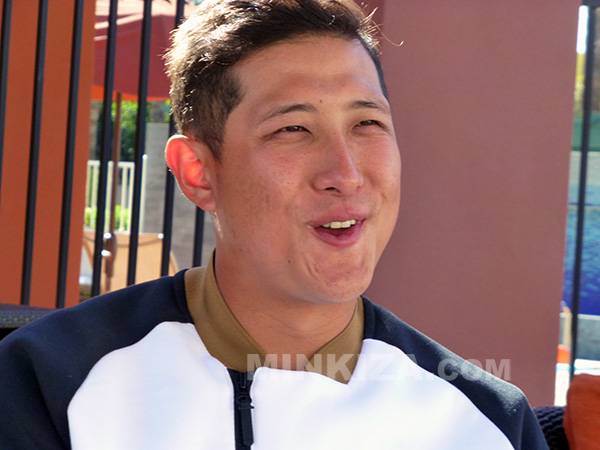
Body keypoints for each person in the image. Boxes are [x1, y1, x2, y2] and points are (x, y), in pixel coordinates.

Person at [0, 1, 549, 449]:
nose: (346, 174)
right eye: (292, 129)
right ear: (198, 172)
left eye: (367, 123)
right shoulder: (48, 383)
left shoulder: (485, 420)